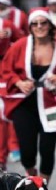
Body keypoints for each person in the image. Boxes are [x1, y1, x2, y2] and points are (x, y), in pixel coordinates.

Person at [1, 7, 56, 183]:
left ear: (50, 25)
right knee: (27, 151)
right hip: (24, 104)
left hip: (51, 104)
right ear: (30, 27)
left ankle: (41, 187)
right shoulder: (20, 46)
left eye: (43, 23)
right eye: (35, 23)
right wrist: (19, 82)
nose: (39, 26)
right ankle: (31, 172)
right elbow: (6, 68)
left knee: (47, 149)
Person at [0, 11, 24, 170]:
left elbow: (23, 41)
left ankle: (4, 156)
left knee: (5, 113)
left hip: (5, 72)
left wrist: (10, 45)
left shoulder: (7, 25)